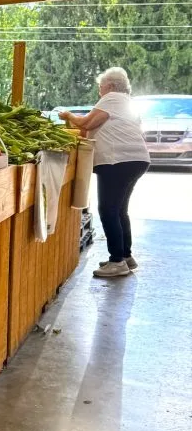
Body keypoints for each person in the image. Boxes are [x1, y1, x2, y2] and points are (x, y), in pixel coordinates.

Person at [59, 67, 149, 279]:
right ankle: (125, 256)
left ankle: (116, 261)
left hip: (117, 161)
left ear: (109, 86)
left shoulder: (111, 98)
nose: (99, 91)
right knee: (119, 210)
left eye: (100, 87)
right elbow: (92, 126)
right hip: (135, 159)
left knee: (108, 210)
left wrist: (67, 115)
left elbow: (87, 123)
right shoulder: (125, 101)